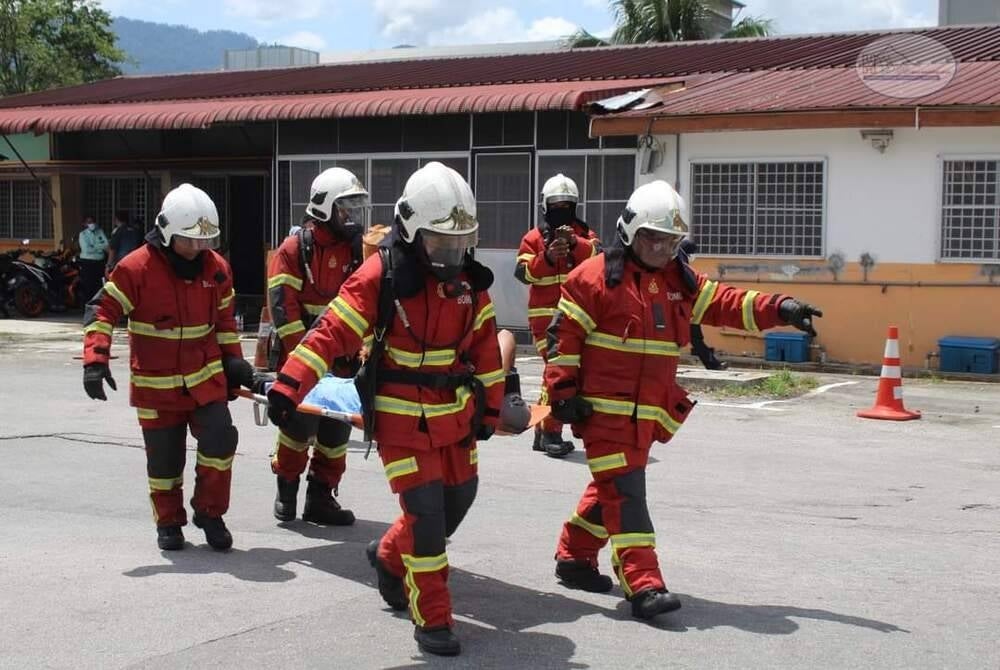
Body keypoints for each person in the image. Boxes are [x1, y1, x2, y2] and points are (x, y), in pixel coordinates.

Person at [543, 180, 822, 619]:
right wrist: (562, 393)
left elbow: (726, 302)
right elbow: (563, 338)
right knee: (629, 494)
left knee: (614, 487)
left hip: (648, 414)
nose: (660, 249)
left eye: (670, 241)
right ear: (630, 232)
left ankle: (574, 557)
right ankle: (643, 584)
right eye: (652, 238)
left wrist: (781, 308)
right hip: (603, 414)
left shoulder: (680, 280)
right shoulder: (592, 279)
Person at [266, 162, 503, 657]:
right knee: (427, 516)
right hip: (399, 417)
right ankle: (433, 619)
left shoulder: (468, 280)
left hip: (453, 414)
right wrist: (289, 387)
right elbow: (329, 332)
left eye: (461, 243)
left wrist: (491, 410)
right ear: (413, 230)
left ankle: (389, 557)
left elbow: (484, 345)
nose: (452, 253)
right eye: (442, 243)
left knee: (459, 499)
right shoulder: (380, 274)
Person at [81, 184, 257, 552]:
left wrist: (235, 364)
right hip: (156, 385)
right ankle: (169, 523)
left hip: (205, 379)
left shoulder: (217, 269)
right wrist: (95, 360)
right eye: (189, 242)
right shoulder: (136, 269)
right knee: (164, 462)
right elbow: (101, 312)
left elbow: (224, 324)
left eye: (204, 242)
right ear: (166, 233)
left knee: (220, 440)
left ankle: (210, 513)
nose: (197, 250)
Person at [265, 167, 369, 526]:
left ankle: (321, 498)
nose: (352, 217)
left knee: (336, 433)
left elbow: (363, 304)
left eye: (355, 209)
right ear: (324, 208)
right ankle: (287, 488)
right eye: (345, 209)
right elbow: (284, 309)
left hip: (341, 360)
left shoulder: (356, 248)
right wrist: (306, 359)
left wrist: (356, 350)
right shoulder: (294, 249)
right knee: (295, 430)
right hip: (302, 356)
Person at [514, 174, 601, 458]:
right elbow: (522, 273)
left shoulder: (586, 237)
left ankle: (543, 432)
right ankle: (550, 432)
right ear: (545, 206)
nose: (561, 210)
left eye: (567, 205)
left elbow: (601, 262)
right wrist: (548, 257)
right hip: (544, 320)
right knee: (557, 371)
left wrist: (574, 244)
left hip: (576, 320)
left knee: (562, 371)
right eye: (556, 205)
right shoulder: (533, 238)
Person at [678, 238, 727, 370]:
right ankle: (712, 364)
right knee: (695, 339)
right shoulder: (679, 261)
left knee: (695, 338)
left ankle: (713, 364)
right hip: (683, 309)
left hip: (687, 309)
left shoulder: (679, 259)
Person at [78, 215, 109, 303]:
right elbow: (86, 249)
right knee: (88, 285)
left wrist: (95, 247)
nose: (92, 224)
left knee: (99, 285)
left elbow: (106, 244)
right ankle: (88, 305)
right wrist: (100, 248)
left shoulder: (100, 231)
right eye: (89, 222)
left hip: (99, 263)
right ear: (84, 224)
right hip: (88, 263)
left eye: (93, 222)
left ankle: (98, 304)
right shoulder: (83, 234)